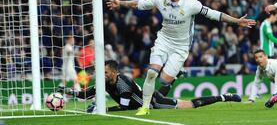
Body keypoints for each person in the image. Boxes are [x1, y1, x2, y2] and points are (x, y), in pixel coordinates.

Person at [106, 0, 256, 115]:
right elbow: (140, 4)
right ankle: (145, 107)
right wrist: (120, 3)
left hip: (181, 47)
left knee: (165, 81)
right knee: (152, 73)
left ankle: (176, 73)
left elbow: (214, 14)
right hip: (163, 40)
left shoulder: (191, 3)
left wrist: (236, 21)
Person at [62, 60, 241, 112]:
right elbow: (85, 95)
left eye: (106, 72)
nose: (103, 75)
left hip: (151, 104)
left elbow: (127, 107)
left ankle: (225, 96)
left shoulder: (124, 84)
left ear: (115, 73)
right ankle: (176, 77)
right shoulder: (106, 82)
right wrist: (66, 91)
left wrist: (103, 110)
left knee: (189, 105)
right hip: (148, 96)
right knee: (159, 93)